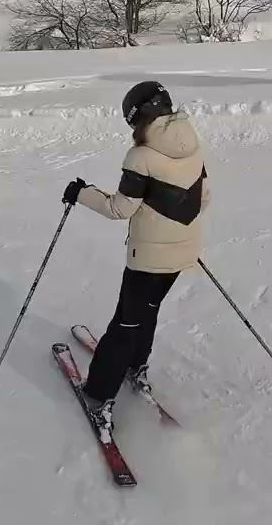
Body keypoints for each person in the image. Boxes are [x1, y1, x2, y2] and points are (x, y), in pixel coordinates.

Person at [60, 81, 210, 440]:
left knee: (125, 325)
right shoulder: (192, 145)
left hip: (147, 260)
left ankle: (99, 396)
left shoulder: (140, 157)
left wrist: (81, 193)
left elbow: (119, 208)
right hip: (180, 255)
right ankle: (136, 367)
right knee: (148, 311)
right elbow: (202, 199)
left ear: (140, 118)